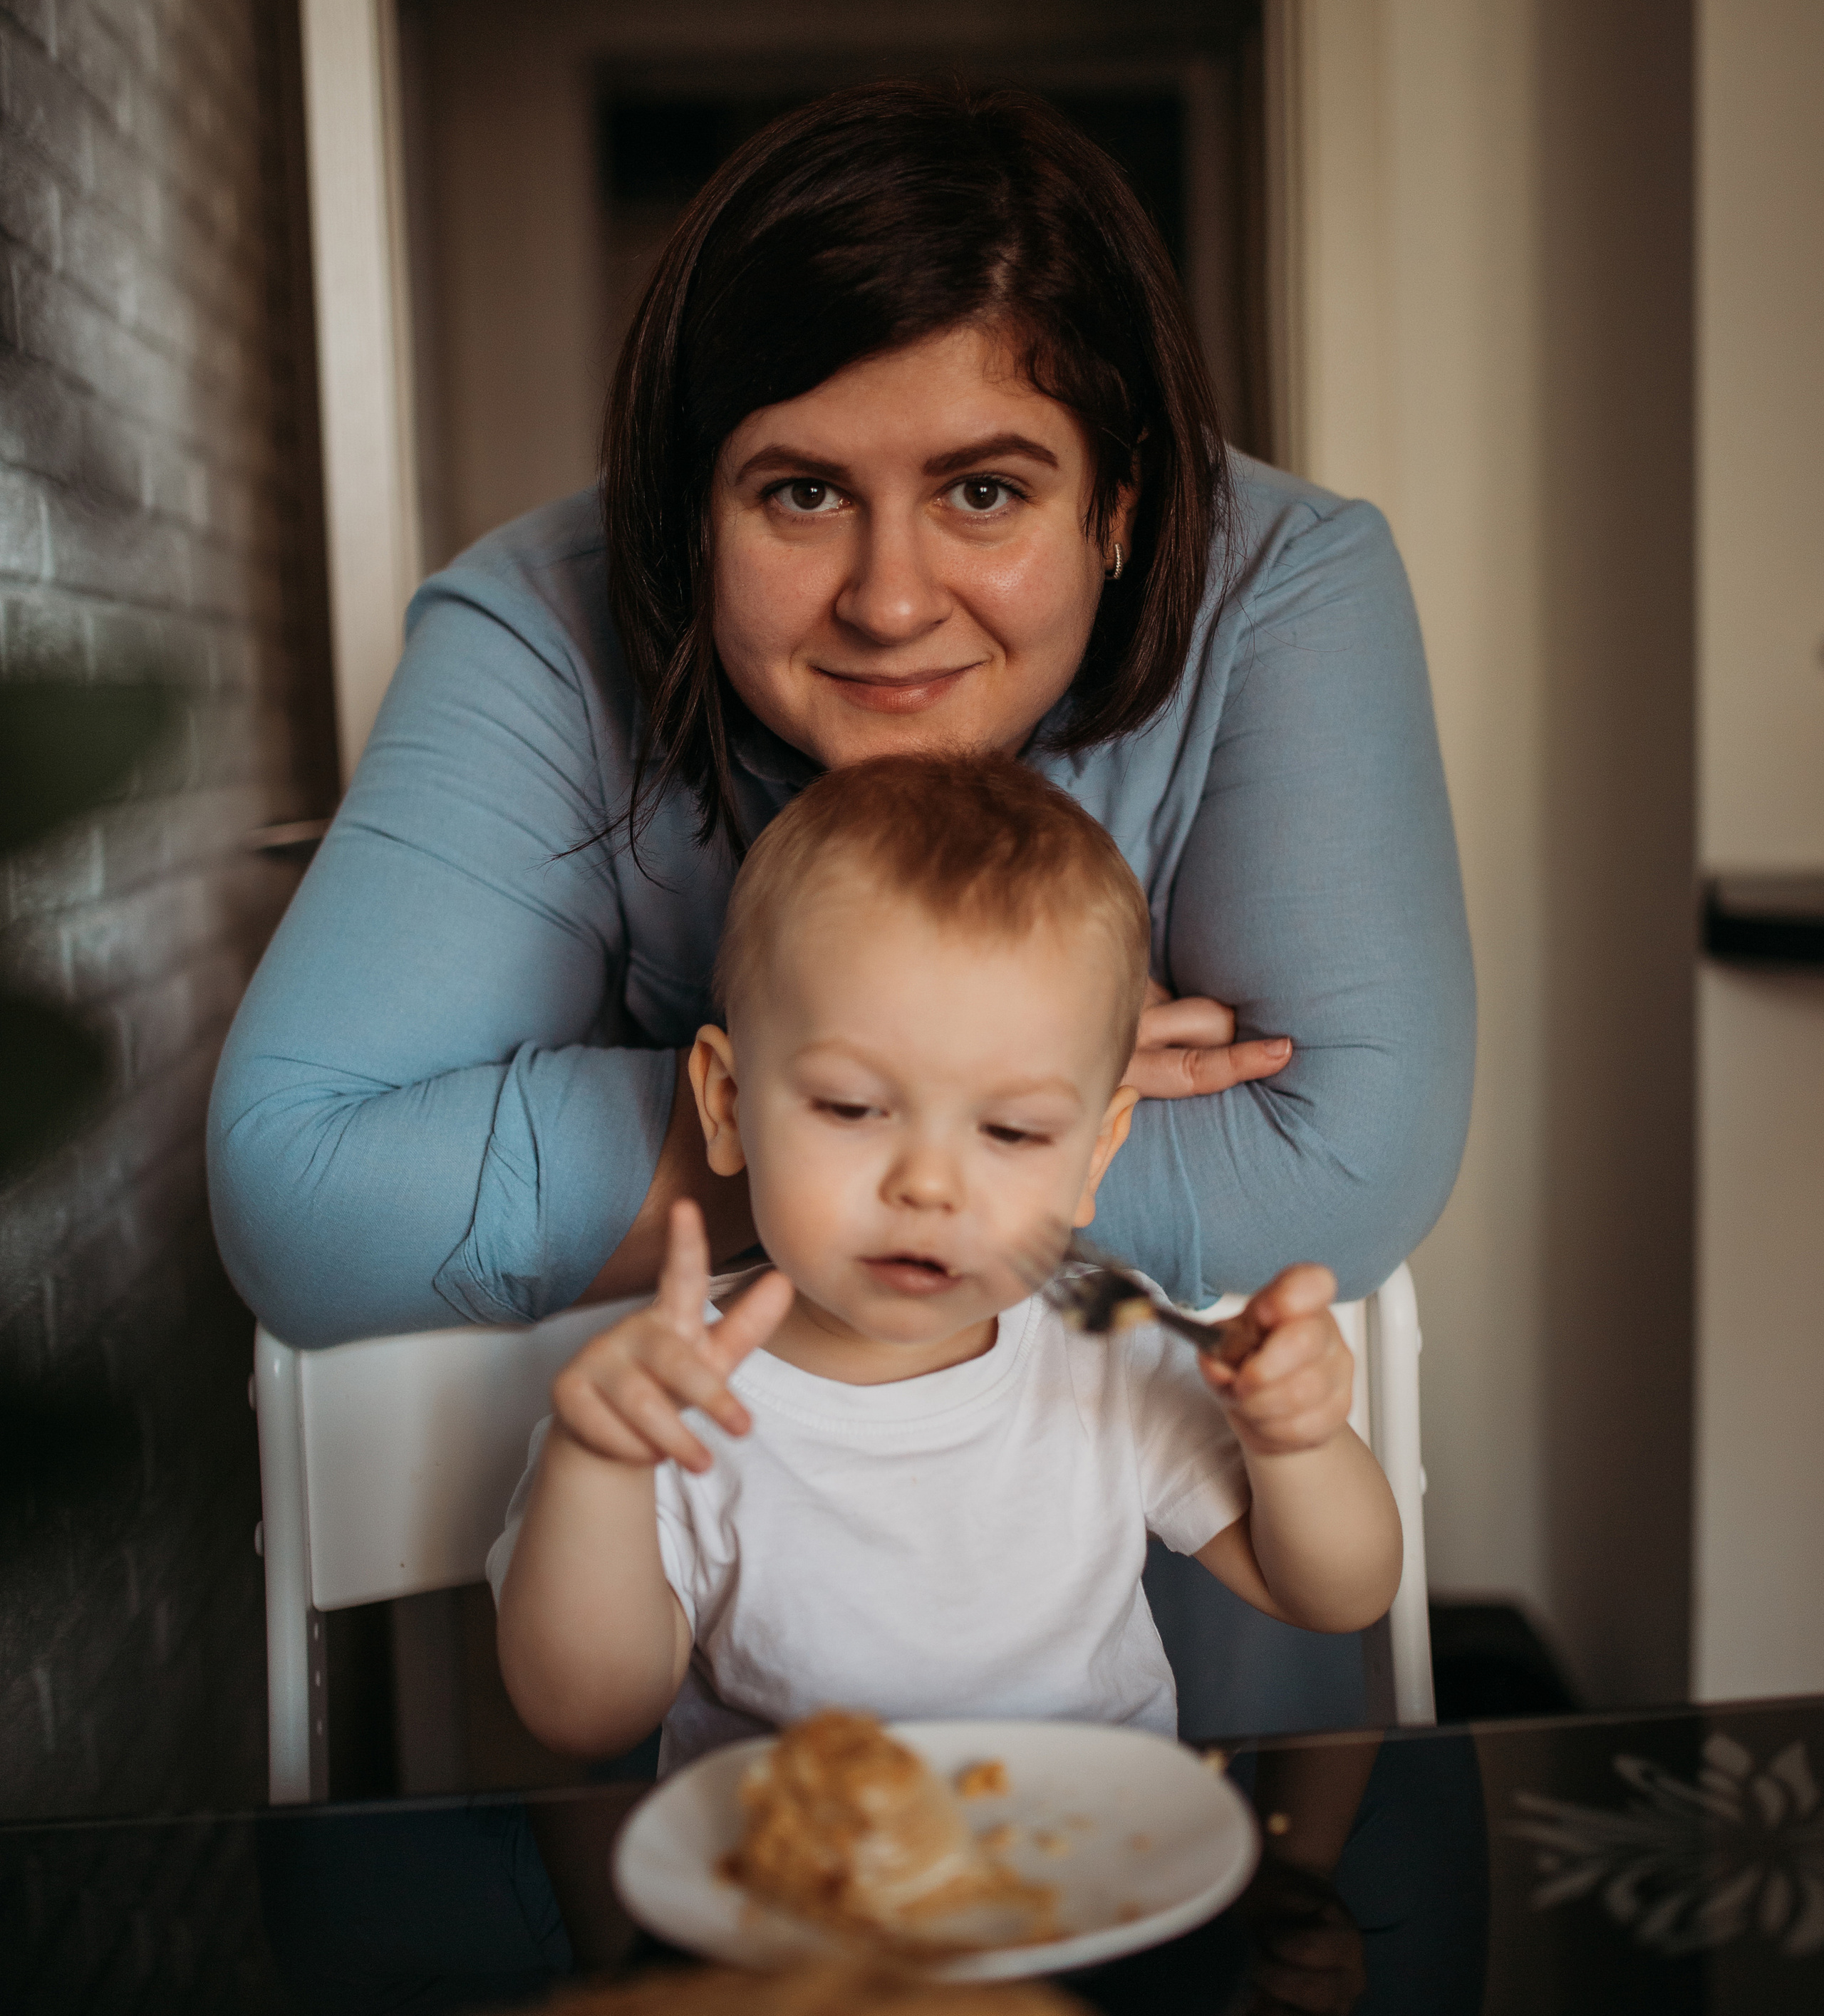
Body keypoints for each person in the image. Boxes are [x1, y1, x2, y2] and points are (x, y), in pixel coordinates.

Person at [207, 80, 1473, 1366]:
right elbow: (304, 1195)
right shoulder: (536, 620)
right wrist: (1001, 1095)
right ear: (695, 503)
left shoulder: (1290, 581)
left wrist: (796, 1116)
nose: (891, 601)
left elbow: (1333, 1175)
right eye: (804, 494)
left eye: (983, 491)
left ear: (1122, 504)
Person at [487, 753, 1401, 1769]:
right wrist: (600, 1467)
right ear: (729, 1105)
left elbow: (1339, 1595)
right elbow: (583, 1716)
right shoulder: (665, 1392)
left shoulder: (1106, 1343)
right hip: (798, 1902)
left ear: (1094, 1155)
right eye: (851, 1108)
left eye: (1010, 1132)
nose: (930, 1185)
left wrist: (1299, 1443)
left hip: (1091, 1884)